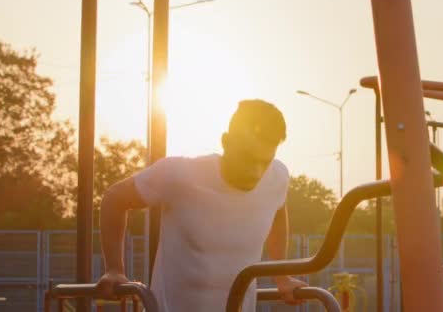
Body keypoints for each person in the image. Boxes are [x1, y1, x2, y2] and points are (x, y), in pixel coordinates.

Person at [96, 99, 307, 311]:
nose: (256, 172)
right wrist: (114, 269)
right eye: (247, 158)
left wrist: (282, 277)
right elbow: (115, 199)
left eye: (265, 162)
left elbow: (278, 208)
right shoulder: (180, 174)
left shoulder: (277, 177)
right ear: (226, 142)